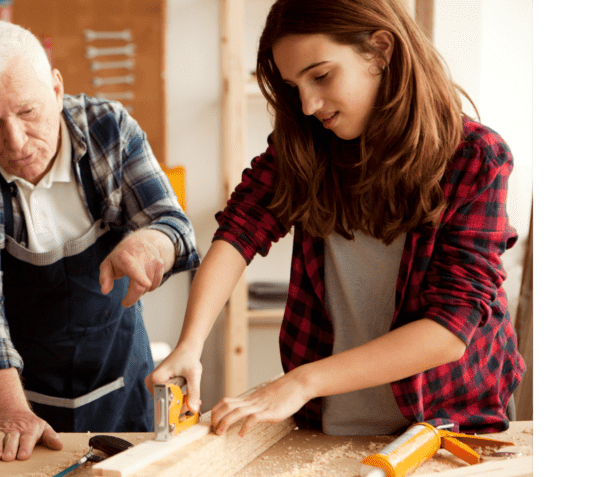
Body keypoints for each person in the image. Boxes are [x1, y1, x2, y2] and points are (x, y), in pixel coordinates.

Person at [148, 0, 524, 439]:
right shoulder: (307, 146)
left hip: (446, 425)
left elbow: (450, 328)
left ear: (381, 51)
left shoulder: (476, 158)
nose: (308, 105)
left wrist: (301, 381)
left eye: (321, 75)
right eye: (294, 86)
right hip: (330, 422)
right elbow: (239, 230)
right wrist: (190, 345)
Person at [0, 21, 200, 462]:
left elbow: (175, 227)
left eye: (29, 113)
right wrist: (12, 413)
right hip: (19, 395)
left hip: (119, 379)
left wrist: (152, 242)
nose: (14, 142)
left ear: (56, 89)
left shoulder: (107, 129)